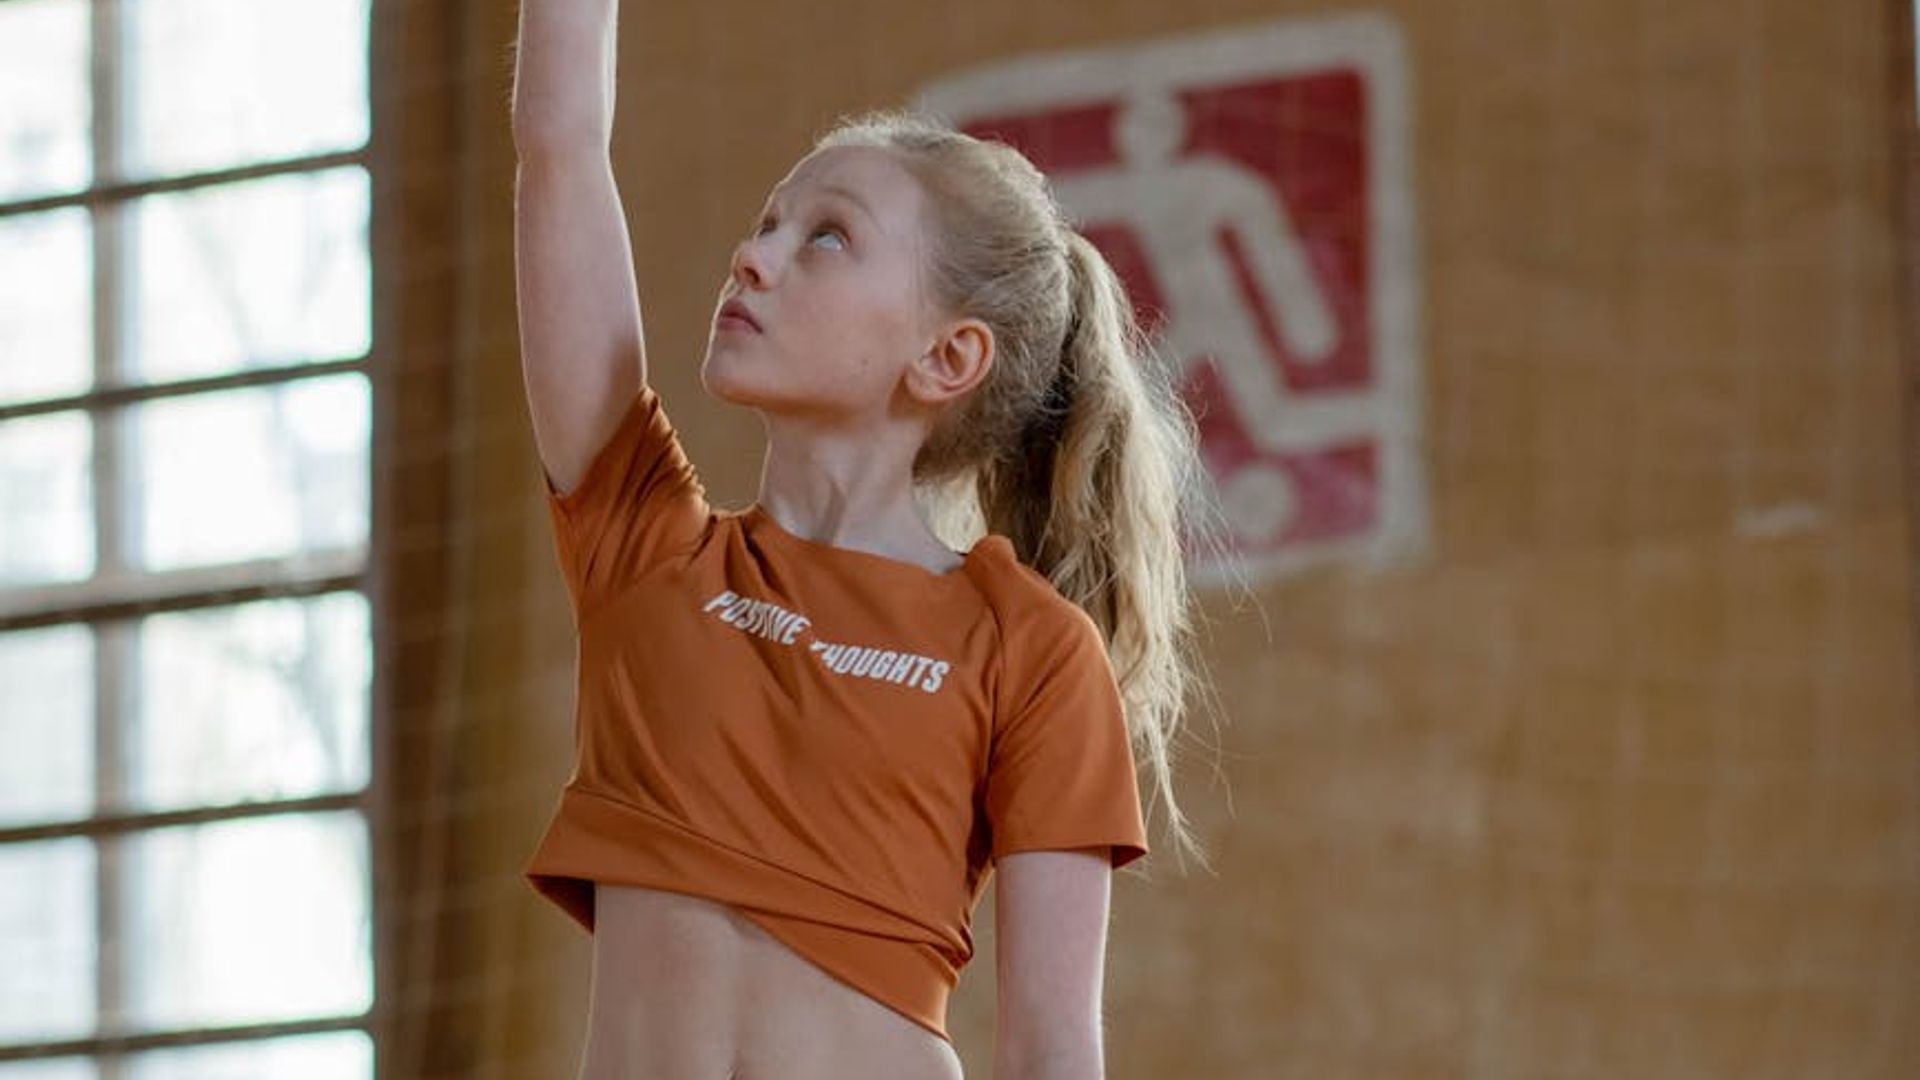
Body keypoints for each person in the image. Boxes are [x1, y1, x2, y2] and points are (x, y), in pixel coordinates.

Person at [512, 3, 1222, 1077]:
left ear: (947, 357)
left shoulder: (1028, 648)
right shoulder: (644, 546)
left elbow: (1050, 1052)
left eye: (825, 237)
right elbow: (559, 147)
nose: (752, 258)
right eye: (766, 224)